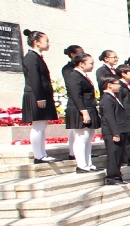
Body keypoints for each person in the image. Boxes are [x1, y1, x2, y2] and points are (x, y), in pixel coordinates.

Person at [20, 30, 59, 164]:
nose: (48, 43)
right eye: (46, 40)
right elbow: (35, 79)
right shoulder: (31, 57)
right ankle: (38, 155)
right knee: (38, 126)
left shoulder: (37, 57)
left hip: (40, 95)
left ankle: (42, 153)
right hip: (36, 95)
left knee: (42, 125)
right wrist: (40, 98)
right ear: (36, 42)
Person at [66, 53, 99, 173]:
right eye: (91, 63)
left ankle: (88, 163)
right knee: (82, 137)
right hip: (80, 109)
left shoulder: (82, 75)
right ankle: (81, 165)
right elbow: (76, 96)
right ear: (81, 64)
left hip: (89, 107)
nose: (93, 65)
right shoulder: (74, 76)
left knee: (89, 137)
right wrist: (84, 112)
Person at [98, 78, 130, 185]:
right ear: (109, 85)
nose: (119, 86)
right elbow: (109, 117)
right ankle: (112, 177)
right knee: (114, 155)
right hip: (113, 131)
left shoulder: (113, 97)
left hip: (121, 129)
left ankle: (117, 175)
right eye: (117, 84)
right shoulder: (107, 99)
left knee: (119, 155)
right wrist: (115, 133)